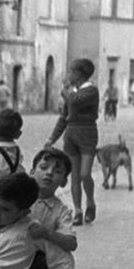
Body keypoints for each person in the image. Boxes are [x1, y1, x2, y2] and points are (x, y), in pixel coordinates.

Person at [19, 148, 83, 269]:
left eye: (57, 171)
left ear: (63, 181)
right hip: (15, 261)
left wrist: (47, 234)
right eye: (43, 167)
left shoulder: (60, 210)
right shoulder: (19, 196)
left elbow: (70, 243)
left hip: (43, 264)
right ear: (32, 171)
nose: (49, 173)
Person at [44, 58, 100, 226]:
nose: (68, 75)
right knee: (74, 175)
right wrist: (51, 138)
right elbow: (64, 118)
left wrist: (64, 91)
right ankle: (78, 210)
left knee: (85, 174)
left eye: (71, 72)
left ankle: (90, 201)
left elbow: (75, 100)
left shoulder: (91, 91)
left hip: (87, 132)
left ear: (80, 74)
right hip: (71, 133)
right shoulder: (72, 92)